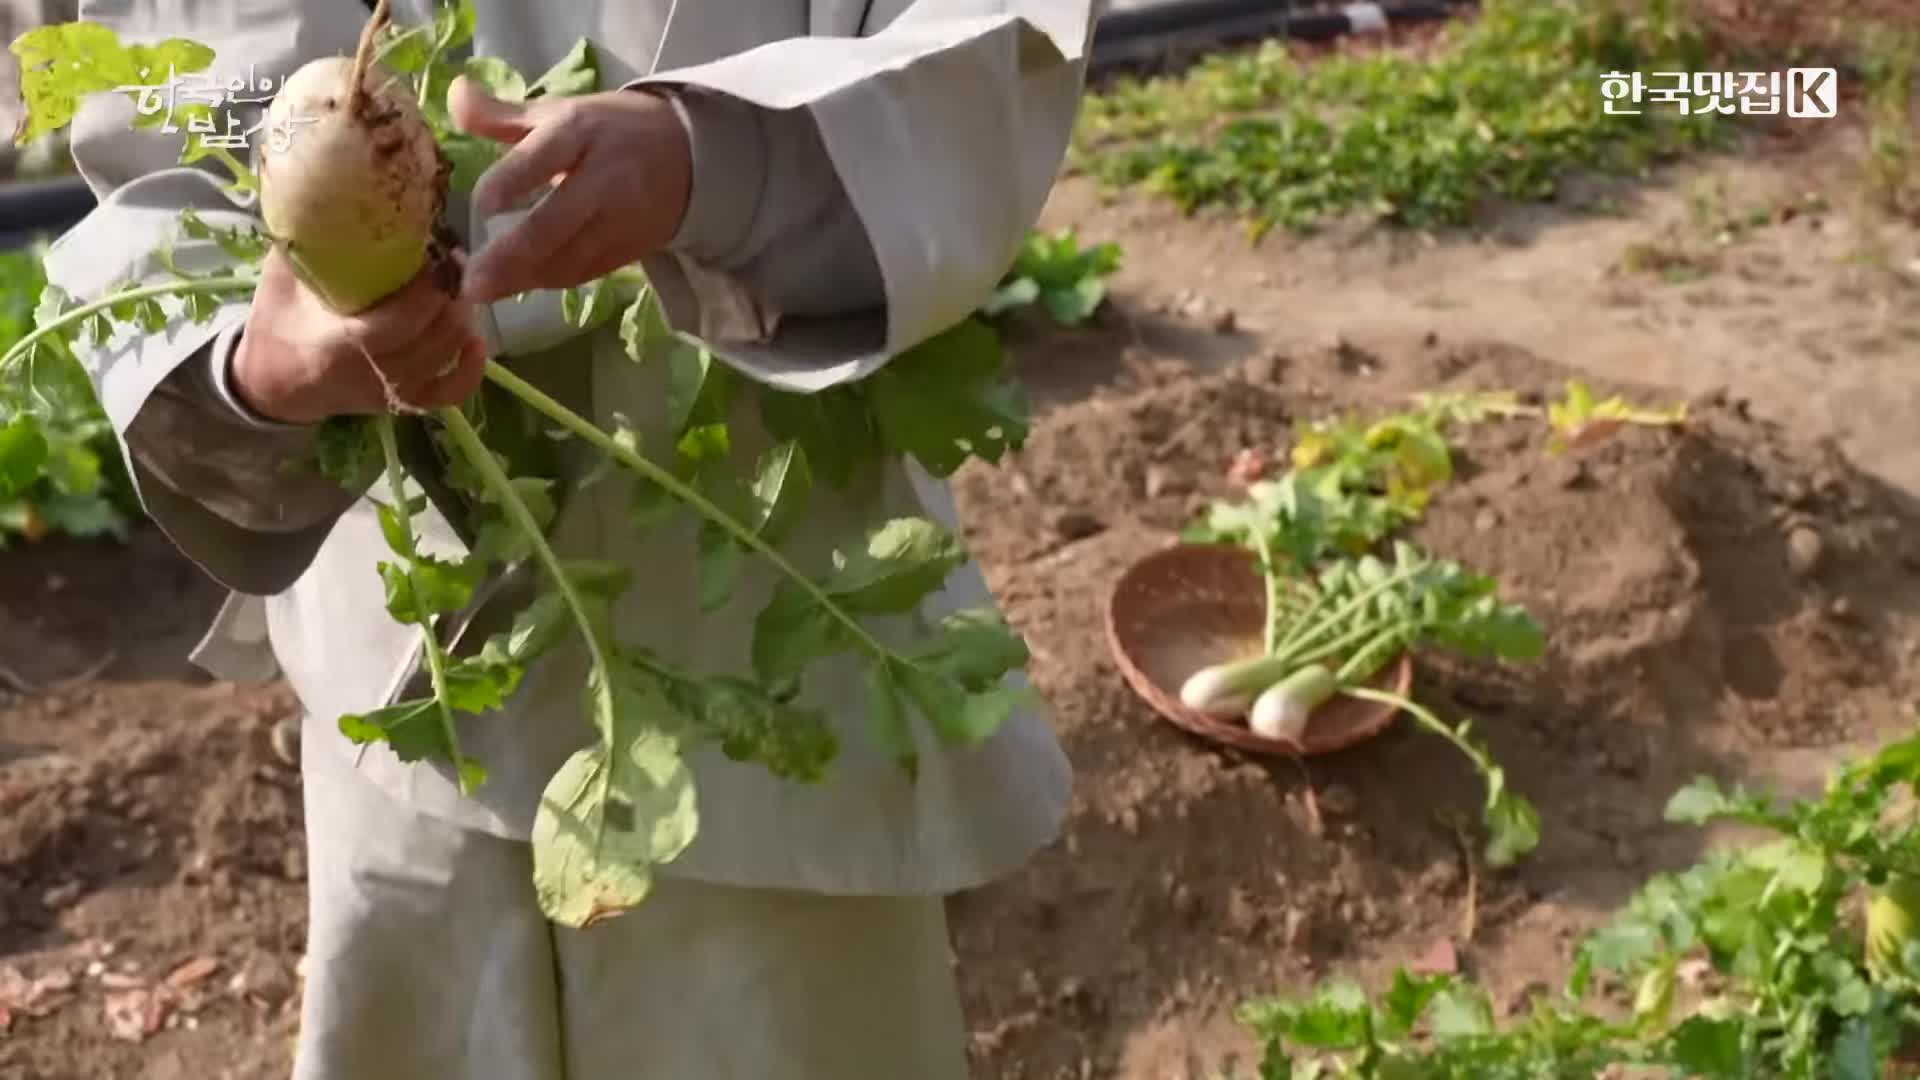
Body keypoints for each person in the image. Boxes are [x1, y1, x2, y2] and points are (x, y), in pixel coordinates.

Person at [43, 1, 1097, 1076]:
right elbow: (178, 112)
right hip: (414, 690)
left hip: (765, 643)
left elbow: (995, 40)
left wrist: (721, 160)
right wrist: (253, 365)